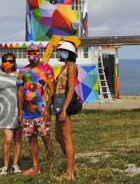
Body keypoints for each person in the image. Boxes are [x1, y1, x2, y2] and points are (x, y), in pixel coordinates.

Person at [16, 43, 54, 176]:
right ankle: (35, 166)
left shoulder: (46, 69)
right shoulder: (22, 71)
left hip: (41, 110)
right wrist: (20, 110)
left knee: (45, 136)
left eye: (35, 52)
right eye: (29, 53)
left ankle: (51, 160)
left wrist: (48, 108)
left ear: (39, 53)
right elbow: (20, 91)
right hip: (27, 113)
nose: (32, 55)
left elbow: (51, 89)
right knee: (31, 138)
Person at [53, 40, 79, 181]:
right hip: (58, 103)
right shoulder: (65, 66)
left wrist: (64, 109)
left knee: (67, 138)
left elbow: (70, 90)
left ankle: (69, 172)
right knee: (58, 136)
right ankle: (71, 166)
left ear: (69, 53)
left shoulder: (71, 67)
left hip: (64, 104)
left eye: (62, 51)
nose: (60, 53)